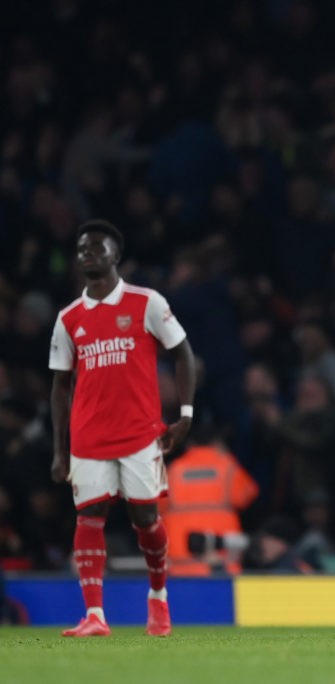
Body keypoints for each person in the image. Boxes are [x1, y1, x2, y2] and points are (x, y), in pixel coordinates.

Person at [49, 220, 196, 637]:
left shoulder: (146, 302)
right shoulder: (68, 318)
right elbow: (60, 386)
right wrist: (60, 450)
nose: (87, 253)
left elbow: (183, 354)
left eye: (96, 247)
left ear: (117, 255)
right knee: (89, 515)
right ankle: (95, 615)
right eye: (81, 249)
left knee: (145, 517)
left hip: (139, 433)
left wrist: (185, 413)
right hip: (89, 435)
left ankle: (158, 596)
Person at [161, 427, 259, 576]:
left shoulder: (173, 470)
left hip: (181, 562)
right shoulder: (228, 466)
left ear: (190, 445)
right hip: (222, 560)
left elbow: (155, 508)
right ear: (217, 444)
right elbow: (248, 495)